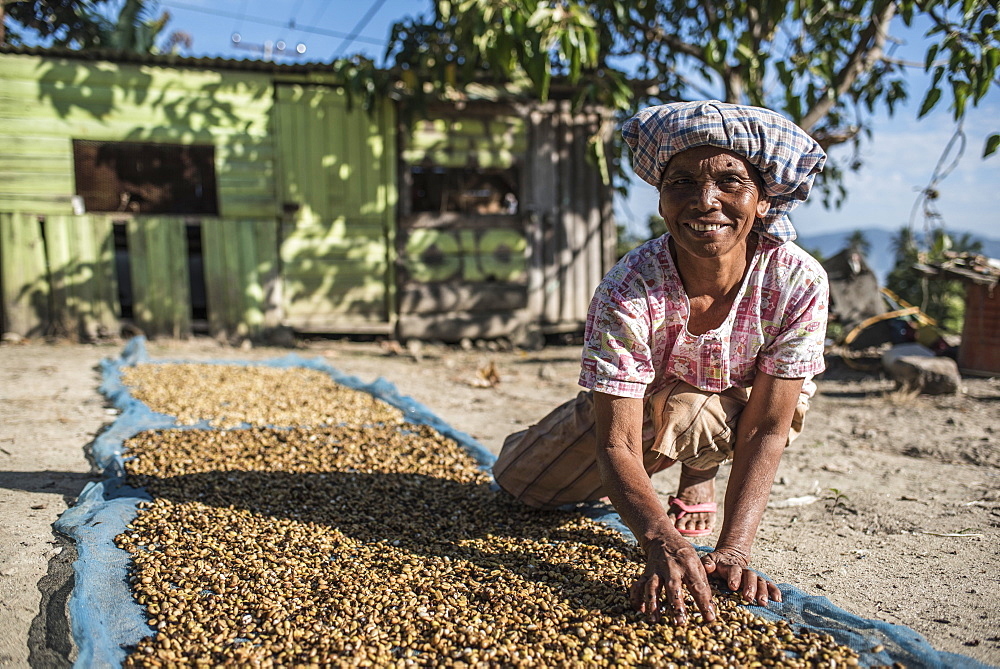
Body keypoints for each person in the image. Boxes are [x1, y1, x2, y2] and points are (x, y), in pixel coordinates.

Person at [493, 100, 829, 626]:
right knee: (521, 484)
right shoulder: (629, 286)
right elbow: (618, 443)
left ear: (763, 200)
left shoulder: (797, 280)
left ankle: (700, 473)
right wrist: (659, 538)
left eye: (731, 182)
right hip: (643, 413)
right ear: (660, 198)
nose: (705, 201)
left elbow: (767, 426)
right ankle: (552, 441)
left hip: (737, 406)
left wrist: (734, 552)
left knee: (705, 408)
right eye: (681, 182)